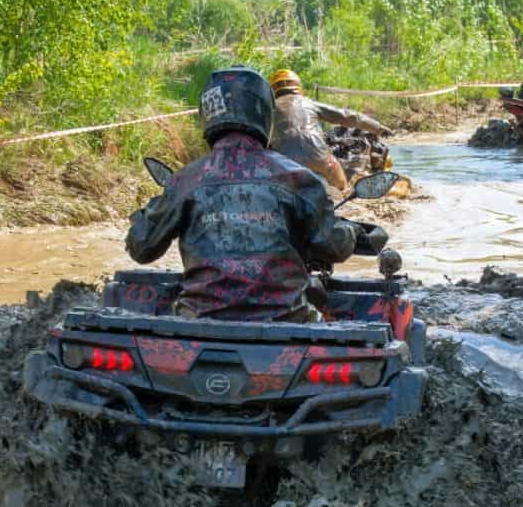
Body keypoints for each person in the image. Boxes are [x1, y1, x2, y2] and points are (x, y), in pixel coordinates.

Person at [124, 66, 357, 323]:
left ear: (207, 114)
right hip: (288, 323)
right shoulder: (299, 178)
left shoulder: (185, 180)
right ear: (264, 113)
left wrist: (143, 216)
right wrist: (350, 231)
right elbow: (334, 247)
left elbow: (141, 247)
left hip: (197, 323)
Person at [269, 69, 393, 192]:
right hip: (321, 161)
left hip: (283, 165)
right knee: (343, 188)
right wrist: (378, 128)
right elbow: (348, 116)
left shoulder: (268, 109)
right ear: (298, 87)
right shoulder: (309, 103)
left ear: (273, 89)